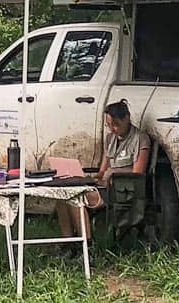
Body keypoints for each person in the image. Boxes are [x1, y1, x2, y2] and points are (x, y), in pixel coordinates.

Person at [57, 100, 151, 239]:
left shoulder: (141, 139)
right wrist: (90, 179)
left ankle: (85, 244)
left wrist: (113, 175)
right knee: (62, 198)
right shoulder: (110, 138)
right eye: (109, 125)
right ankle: (68, 242)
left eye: (116, 125)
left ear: (127, 118)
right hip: (105, 186)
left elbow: (137, 174)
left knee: (77, 199)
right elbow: (103, 170)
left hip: (123, 190)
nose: (113, 129)